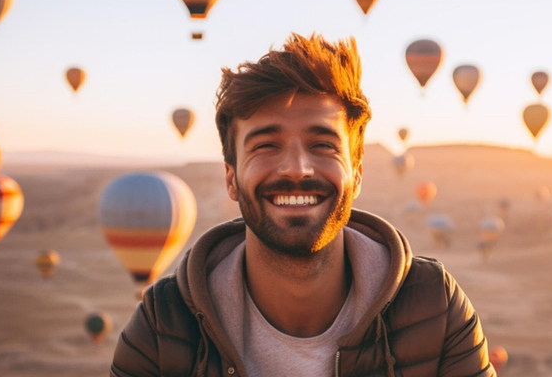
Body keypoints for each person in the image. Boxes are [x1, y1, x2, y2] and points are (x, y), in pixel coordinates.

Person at [110, 34, 495, 376]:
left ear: (357, 174)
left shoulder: (433, 305)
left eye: (323, 144)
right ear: (231, 178)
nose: (296, 168)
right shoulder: (164, 324)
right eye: (266, 145)